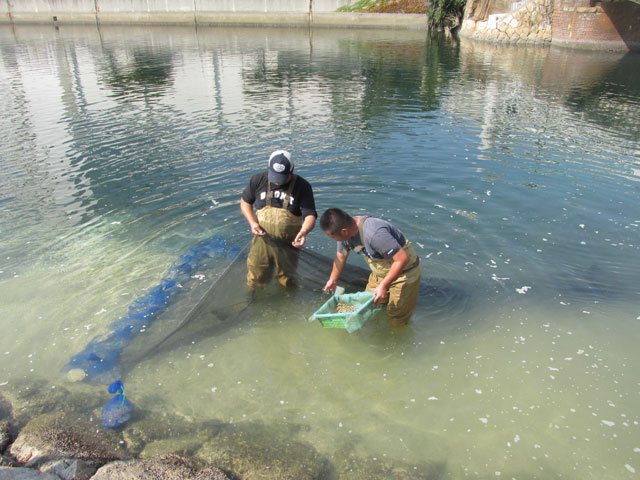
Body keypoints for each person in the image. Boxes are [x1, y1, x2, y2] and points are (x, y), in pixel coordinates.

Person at [319, 208, 421, 327]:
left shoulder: (374, 234)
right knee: (368, 304)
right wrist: (333, 279)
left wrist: (383, 286)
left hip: (404, 273)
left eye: (333, 237)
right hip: (380, 271)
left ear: (344, 231)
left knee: (397, 318)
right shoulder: (344, 233)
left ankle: (396, 338)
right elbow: (340, 257)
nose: (335, 240)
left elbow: (402, 259)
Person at [240, 150, 317, 288]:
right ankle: (254, 299)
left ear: (291, 172)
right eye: (274, 176)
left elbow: (310, 215)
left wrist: (304, 231)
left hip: (288, 244)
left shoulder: (303, 187)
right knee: (256, 276)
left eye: (282, 178)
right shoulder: (258, 180)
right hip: (262, 241)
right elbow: (245, 202)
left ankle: (287, 303)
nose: (277, 181)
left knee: (287, 279)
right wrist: (252, 223)